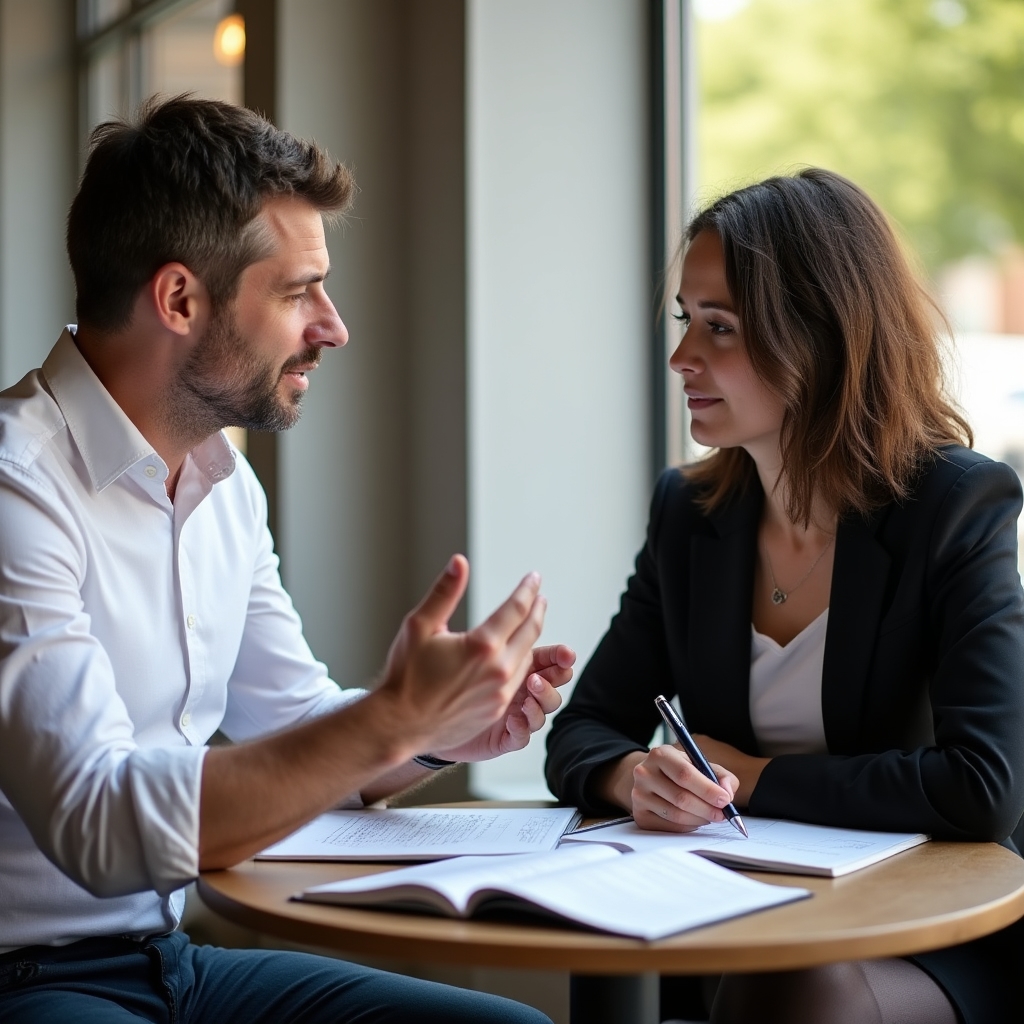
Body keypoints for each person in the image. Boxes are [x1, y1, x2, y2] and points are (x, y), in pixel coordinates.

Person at [0, 96, 575, 1024]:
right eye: (299, 289)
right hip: (25, 981)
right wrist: (387, 716)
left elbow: (300, 725)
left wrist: (431, 729)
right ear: (179, 299)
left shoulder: (228, 486)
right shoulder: (14, 489)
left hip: (172, 964)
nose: (334, 327)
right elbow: (99, 826)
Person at [545, 168, 1024, 1024]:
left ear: (821, 337)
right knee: (613, 945)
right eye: (687, 320)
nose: (681, 357)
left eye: (719, 328)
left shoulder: (955, 507)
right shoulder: (690, 515)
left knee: (788, 989)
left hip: (929, 934)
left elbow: (983, 786)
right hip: (740, 912)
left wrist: (755, 779)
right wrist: (630, 780)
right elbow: (583, 731)